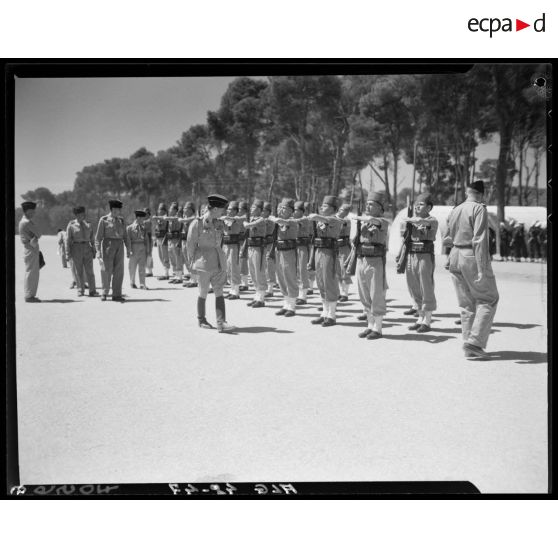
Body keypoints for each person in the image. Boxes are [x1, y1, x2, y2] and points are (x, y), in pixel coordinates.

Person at [445, 180, 499, 360]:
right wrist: (482, 266)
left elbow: (446, 238)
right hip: (470, 256)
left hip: (455, 254)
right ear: (482, 194)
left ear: (468, 191)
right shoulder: (478, 208)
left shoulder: (455, 209)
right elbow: (480, 239)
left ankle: (468, 343)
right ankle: (474, 342)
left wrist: (450, 257)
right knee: (488, 298)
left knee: (466, 304)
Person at [186, 194, 235, 333]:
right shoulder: (198, 223)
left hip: (218, 260)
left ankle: (221, 323)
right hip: (203, 263)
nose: (223, 212)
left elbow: (224, 236)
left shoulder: (218, 222)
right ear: (214, 209)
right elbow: (190, 244)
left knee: (219, 291)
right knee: (203, 292)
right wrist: (192, 265)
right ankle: (201, 319)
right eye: (221, 210)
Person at [352, 192, 389, 339]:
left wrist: (361, 218)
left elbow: (375, 221)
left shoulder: (382, 221)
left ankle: (378, 328)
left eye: (372, 204)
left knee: (376, 294)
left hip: (375, 262)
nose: (368, 206)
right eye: (367, 203)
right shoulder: (364, 223)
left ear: (380, 209)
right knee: (364, 294)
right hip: (362, 259)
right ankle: (370, 325)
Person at [402, 193, 438, 333]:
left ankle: (427, 321)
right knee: (413, 286)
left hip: (425, 256)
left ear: (429, 207)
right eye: (416, 204)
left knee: (426, 286)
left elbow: (426, 224)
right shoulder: (411, 220)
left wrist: (414, 221)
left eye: (421, 204)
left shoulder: (432, 220)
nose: (417, 206)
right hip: (412, 255)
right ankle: (420, 318)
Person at [307, 195, 343, 326]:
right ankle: (324, 313)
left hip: (329, 252)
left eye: (325, 205)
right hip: (318, 251)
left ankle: (332, 315)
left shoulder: (335, 219)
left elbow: (326, 220)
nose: (322, 207)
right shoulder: (320, 220)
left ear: (333, 208)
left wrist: (316, 216)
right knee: (321, 282)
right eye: (321, 205)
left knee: (329, 282)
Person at [268, 198, 299, 316]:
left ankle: (292, 306)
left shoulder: (293, 220)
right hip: (279, 251)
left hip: (289, 252)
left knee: (290, 277)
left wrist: (273, 217)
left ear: (291, 211)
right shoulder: (279, 222)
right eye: (279, 207)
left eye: (284, 208)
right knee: (281, 278)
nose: (281, 210)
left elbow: (281, 221)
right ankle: (286, 304)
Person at [95, 199, 128, 302]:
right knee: (106, 270)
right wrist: (98, 251)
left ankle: (117, 294)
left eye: (119, 209)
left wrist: (129, 248)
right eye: (116, 209)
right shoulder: (104, 220)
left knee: (119, 271)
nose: (117, 211)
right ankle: (104, 293)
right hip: (108, 246)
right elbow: (98, 238)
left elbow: (126, 236)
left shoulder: (121, 220)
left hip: (119, 245)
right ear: (112, 209)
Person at [65, 206, 98, 297]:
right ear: (76, 215)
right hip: (76, 248)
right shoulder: (71, 225)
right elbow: (67, 240)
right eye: (79, 215)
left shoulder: (88, 224)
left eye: (82, 214)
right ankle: (80, 290)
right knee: (78, 271)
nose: (81, 216)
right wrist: (67, 253)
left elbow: (92, 238)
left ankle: (92, 290)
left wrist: (94, 250)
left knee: (90, 271)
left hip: (87, 248)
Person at [243, 199, 268, 308]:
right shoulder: (252, 219)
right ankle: (257, 296)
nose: (251, 209)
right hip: (251, 247)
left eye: (253, 208)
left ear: (258, 209)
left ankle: (261, 299)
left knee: (259, 272)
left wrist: (244, 222)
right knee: (252, 272)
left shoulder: (261, 219)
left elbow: (247, 226)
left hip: (259, 248)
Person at [19, 201, 42, 302]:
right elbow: (39, 233)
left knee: (31, 272)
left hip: (29, 248)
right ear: (27, 211)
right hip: (31, 248)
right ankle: (29, 296)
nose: (34, 213)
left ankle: (30, 295)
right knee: (32, 273)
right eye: (32, 211)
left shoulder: (24, 221)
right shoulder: (27, 222)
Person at [221, 201, 243, 299]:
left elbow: (231, 219)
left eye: (230, 209)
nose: (228, 211)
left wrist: (223, 218)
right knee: (228, 268)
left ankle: (236, 291)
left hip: (234, 245)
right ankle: (232, 289)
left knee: (234, 267)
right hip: (225, 245)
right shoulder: (225, 219)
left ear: (235, 210)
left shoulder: (237, 218)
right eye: (227, 209)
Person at [126, 209, 150, 290]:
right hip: (134, 248)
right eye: (143, 218)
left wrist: (148, 251)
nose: (144, 220)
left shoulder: (144, 228)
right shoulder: (129, 228)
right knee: (132, 267)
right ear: (138, 218)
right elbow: (128, 240)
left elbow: (147, 240)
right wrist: (128, 250)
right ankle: (132, 282)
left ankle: (142, 283)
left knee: (142, 267)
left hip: (142, 249)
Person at [294, 200, 312, 305]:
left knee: (302, 270)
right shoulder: (294, 219)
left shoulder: (305, 219)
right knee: (295, 270)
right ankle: (297, 293)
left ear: (302, 211)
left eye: (295, 210)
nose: (293, 212)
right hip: (294, 246)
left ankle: (303, 296)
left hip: (303, 246)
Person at [180, 202, 198, 287]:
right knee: (187, 260)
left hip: (191, 241)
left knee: (192, 259)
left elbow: (186, 220)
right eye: (183, 208)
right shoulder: (185, 217)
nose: (184, 210)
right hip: (184, 241)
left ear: (191, 210)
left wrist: (182, 220)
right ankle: (192, 277)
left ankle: (194, 279)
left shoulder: (193, 217)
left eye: (186, 208)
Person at [166, 202, 184, 284]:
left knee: (178, 258)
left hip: (176, 239)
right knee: (172, 258)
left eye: (171, 208)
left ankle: (179, 277)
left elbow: (180, 230)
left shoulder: (178, 217)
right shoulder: (171, 218)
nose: (169, 210)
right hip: (170, 239)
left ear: (175, 210)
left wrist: (179, 241)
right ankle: (176, 275)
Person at [262, 201, 277, 298]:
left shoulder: (271, 220)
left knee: (269, 266)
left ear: (268, 211)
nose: (262, 212)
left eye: (263, 210)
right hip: (262, 244)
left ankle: (270, 289)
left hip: (270, 244)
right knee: (264, 266)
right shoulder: (262, 219)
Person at [152, 203, 170, 280]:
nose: (161, 211)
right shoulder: (158, 219)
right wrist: (155, 239)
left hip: (164, 238)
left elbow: (164, 220)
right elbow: (156, 229)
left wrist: (156, 217)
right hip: (158, 238)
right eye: (160, 209)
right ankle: (165, 271)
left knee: (165, 256)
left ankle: (166, 273)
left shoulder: (165, 218)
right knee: (160, 256)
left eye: (163, 209)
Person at [238, 200, 251, 291]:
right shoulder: (240, 217)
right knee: (241, 260)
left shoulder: (246, 217)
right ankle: (243, 281)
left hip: (245, 239)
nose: (239, 210)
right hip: (239, 240)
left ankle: (245, 283)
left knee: (243, 260)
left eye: (241, 209)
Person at [303, 201, 316, 294]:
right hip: (303, 243)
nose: (305, 211)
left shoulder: (313, 219)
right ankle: (305, 286)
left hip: (311, 243)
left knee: (310, 265)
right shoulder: (302, 218)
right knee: (303, 265)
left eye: (307, 209)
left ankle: (310, 287)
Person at [144, 207, 154, 277]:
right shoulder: (144, 220)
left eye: (146, 213)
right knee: (145, 255)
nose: (145, 215)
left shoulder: (149, 220)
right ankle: (147, 270)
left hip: (149, 239)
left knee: (149, 254)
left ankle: (150, 271)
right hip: (144, 239)